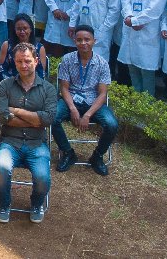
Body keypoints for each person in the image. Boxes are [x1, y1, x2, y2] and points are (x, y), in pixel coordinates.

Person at [0, 43, 56, 224]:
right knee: (2, 168)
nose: (24, 65)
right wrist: (35, 120)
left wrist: (17, 111)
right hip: (10, 142)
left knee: (43, 177)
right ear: (14, 62)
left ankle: (37, 203)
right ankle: (4, 203)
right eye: (19, 61)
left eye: (27, 60)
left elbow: (48, 119)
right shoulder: (5, 85)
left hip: (37, 144)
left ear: (36, 61)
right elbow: (2, 117)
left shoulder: (48, 89)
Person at [51, 25, 119, 177]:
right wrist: (73, 109)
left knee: (112, 124)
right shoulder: (67, 60)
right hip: (71, 100)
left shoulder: (102, 63)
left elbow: (102, 94)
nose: (83, 43)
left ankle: (97, 156)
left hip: (94, 104)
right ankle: (68, 153)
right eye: (79, 40)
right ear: (75, 41)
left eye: (87, 39)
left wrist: (87, 115)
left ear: (94, 41)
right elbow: (64, 88)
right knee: (52, 117)